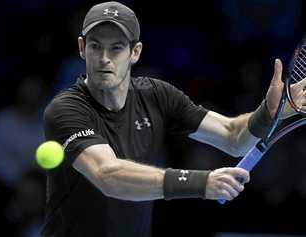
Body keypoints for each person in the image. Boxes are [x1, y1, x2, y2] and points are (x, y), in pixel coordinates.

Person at [42, 2, 301, 236]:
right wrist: (202, 183)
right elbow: (108, 175)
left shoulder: (156, 95)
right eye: (96, 46)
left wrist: (270, 112)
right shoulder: (65, 109)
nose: (104, 58)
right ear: (82, 48)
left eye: (117, 47)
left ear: (135, 52)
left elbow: (234, 138)